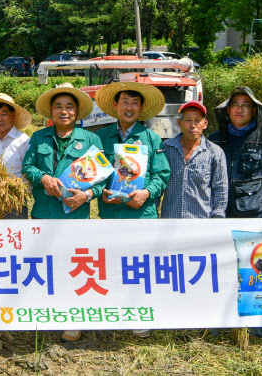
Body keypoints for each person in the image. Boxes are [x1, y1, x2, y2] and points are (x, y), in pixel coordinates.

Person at [22, 83, 103, 343]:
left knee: (74, 266)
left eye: (69, 107)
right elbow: (28, 166)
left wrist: (88, 195)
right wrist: (42, 177)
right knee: (43, 265)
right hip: (43, 213)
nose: (64, 111)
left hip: (75, 215)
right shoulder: (39, 137)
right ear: (51, 111)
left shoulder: (91, 139)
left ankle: (72, 318)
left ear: (78, 111)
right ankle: (45, 312)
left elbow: (102, 177)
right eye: (59, 107)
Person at [94, 82, 170, 339]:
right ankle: (115, 312)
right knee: (112, 263)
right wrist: (104, 191)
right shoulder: (101, 137)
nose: (129, 107)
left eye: (135, 103)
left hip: (141, 213)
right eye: (125, 102)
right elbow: (95, 173)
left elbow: (162, 174)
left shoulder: (152, 138)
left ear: (141, 108)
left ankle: (139, 316)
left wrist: (146, 193)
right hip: (111, 212)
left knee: (140, 265)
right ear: (115, 106)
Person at [208, 86, 262, 218]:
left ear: (254, 110)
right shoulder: (214, 140)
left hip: (254, 214)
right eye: (235, 105)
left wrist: (259, 199)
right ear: (228, 109)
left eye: (246, 105)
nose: (239, 109)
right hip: (219, 212)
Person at [161, 101, 228, 218]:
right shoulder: (166, 148)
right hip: (170, 220)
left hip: (201, 223)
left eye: (197, 120)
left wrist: (218, 216)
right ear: (179, 123)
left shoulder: (215, 152)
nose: (193, 125)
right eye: (188, 120)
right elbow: (158, 183)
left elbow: (221, 188)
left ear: (205, 124)